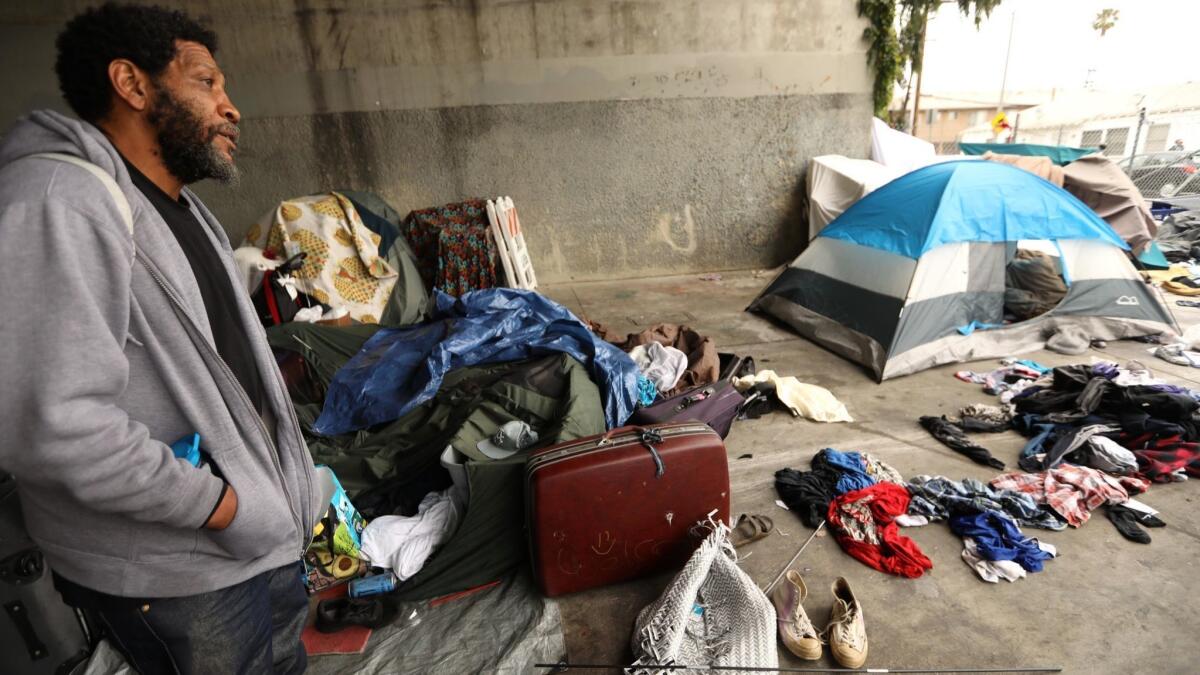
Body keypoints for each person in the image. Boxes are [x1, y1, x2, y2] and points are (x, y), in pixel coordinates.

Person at [0, 4, 323, 673]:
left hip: (259, 544)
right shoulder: (57, 199)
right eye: (207, 82)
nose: (230, 108)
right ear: (133, 83)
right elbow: (53, 426)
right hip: (182, 575)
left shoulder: (181, 207)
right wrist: (222, 505)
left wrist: (281, 495)